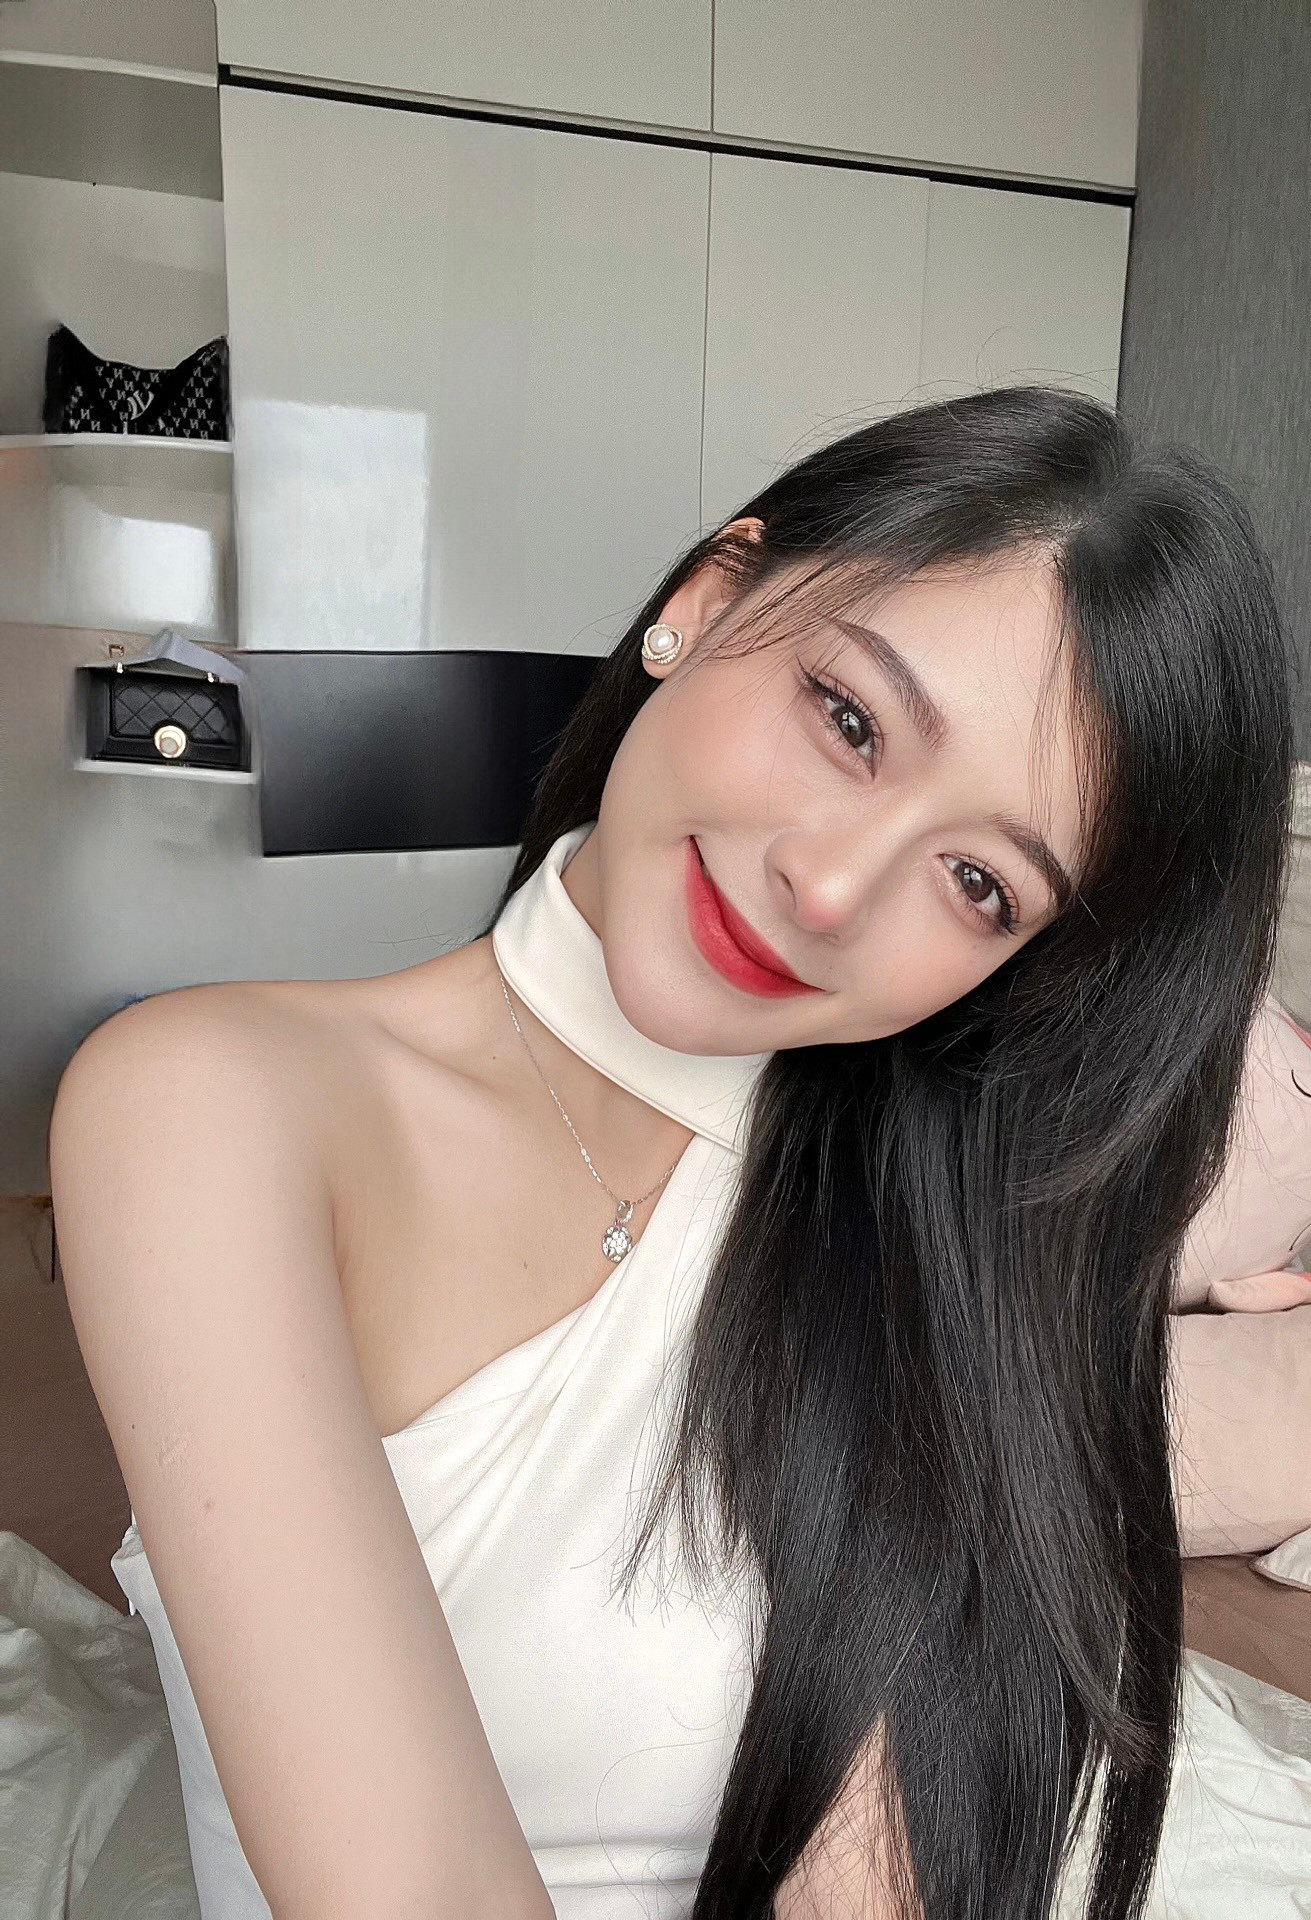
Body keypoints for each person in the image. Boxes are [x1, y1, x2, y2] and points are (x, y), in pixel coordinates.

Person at [49, 384, 1307, 1920]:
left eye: (978, 882)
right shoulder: (210, 1104)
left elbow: (880, 1875)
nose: (831, 888)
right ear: (707, 603)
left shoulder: (934, 1244)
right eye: (849, 721)